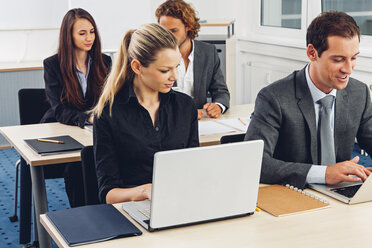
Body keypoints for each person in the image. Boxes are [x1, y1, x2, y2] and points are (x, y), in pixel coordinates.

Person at [245, 11, 372, 189]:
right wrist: (324, 173)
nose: (348, 69)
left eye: (353, 58)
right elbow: (256, 163)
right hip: (293, 194)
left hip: (341, 194)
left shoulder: (359, 93)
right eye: (338, 59)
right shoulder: (274, 98)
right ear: (312, 53)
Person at [92, 23, 199, 204]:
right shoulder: (108, 114)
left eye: (176, 67)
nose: (175, 77)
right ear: (137, 67)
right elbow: (108, 193)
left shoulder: (185, 106)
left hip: (180, 202)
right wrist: (143, 191)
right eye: (165, 70)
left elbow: (194, 169)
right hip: (132, 209)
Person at [41, 8, 111, 207]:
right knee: (78, 165)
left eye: (92, 32)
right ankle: (83, 215)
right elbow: (60, 109)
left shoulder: (104, 61)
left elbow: (109, 99)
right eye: (82, 33)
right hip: (62, 130)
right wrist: (87, 118)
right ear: (68, 36)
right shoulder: (53, 65)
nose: (89, 38)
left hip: (95, 129)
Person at [156, 0, 230, 120]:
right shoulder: (155, 55)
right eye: (163, 31)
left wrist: (218, 106)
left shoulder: (208, 52)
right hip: (168, 121)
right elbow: (151, 98)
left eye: (174, 31)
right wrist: (184, 113)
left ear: (188, 26)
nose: (167, 36)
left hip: (200, 122)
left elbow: (221, 91)